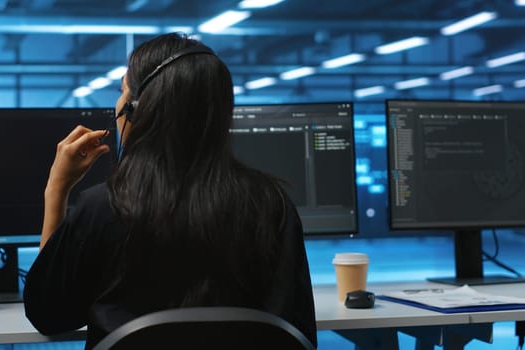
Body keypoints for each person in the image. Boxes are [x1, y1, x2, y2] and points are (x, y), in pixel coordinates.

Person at [23, 32, 317, 348]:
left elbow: (48, 314)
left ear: (135, 111)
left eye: (121, 91)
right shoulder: (272, 205)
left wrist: (57, 189)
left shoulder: (104, 206)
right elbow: (297, 329)